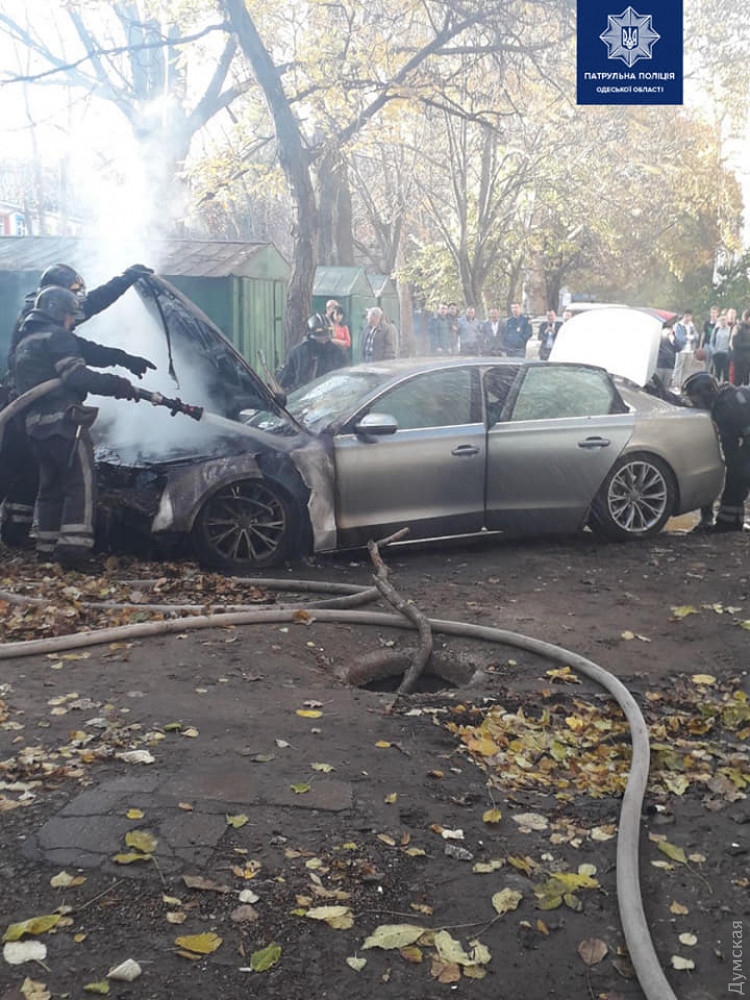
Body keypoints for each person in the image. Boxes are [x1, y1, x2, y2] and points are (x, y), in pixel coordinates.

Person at [1, 261, 154, 547]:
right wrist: (125, 279)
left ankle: (27, 539)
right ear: (57, 299)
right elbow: (78, 358)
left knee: (34, 473)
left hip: (26, 409)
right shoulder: (45, 322)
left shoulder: (38, 321)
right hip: (28, 404)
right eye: (71, 304)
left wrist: (121, 357)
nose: (75, 313)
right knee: (48, 476)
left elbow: (81, 341)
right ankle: (68, 548)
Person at [683, 372, 750, 532]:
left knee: (738, 477)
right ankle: (732, 523)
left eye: (696, 401)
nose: (695, 405)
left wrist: (734, 466)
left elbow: (731, 446)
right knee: (736, 480)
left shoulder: (724, 407)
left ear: (706, 394)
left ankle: (728, 524)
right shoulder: (729, 397)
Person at [278, 313, 345, 392]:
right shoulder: (297, 354)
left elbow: (344, 377)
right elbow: (285, 382)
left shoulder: (336, 352)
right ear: (310, 336)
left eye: (326, 338)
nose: (323, 341)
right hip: (303, 397)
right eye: (320, 338)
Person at [710, 313, 732, 382]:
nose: (723, 321)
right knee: (717, 373)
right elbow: (711, 341)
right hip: (717, 354)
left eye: (725, 320)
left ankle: (726, 386)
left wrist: (730, 352)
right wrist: (713, 351)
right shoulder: (716, 330)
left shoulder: (730, 330)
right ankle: (717, 386)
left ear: (727, 320)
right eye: (722, 320)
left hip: (726, 354)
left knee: (726, 373)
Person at [655, 322, 677, 389]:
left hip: (670, 364)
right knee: (657, 384)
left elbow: (679, 347)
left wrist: (674, 340)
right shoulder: (660, 335)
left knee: (665, 385)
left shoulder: (673, 337)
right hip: (661, 363)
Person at [731, 309, 750, 386]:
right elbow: (735, 343)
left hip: (747, 361)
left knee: (746, 382)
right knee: (737, 382)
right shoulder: (738, 327)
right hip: (740, 360)